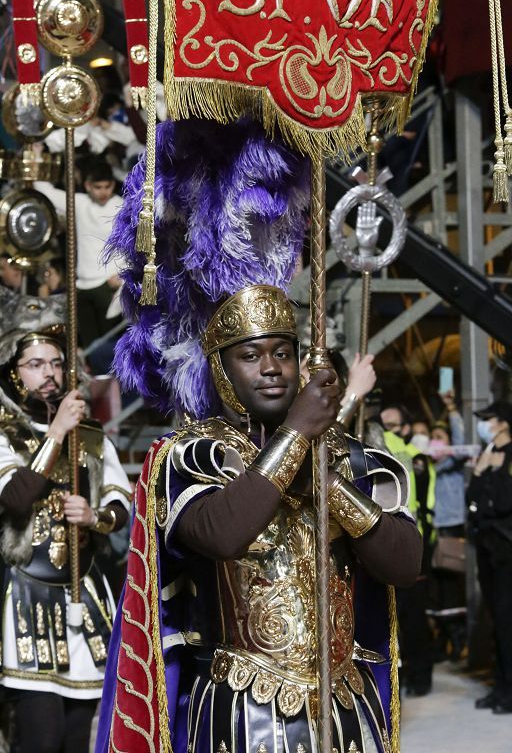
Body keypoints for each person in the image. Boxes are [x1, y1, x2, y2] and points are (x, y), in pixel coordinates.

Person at [97, 284, 422, 753]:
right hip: (242, 711)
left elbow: (406, 564)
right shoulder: (194, 454)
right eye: (250, 355)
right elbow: (221, 533)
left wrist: (331, 487)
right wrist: (295, 436)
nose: (271, 368)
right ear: (221, 368)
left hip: (348, 710)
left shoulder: (348, 456)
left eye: (283, 353)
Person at [0, 297, 132, 752]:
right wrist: (55, 433)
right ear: (13, 370)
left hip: (84, 598)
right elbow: (15, 499)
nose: (49, 373)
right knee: (40, 738)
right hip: (24, 598)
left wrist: (95, 517)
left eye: (56, 363)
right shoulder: (4, 433)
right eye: (35, 363)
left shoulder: (90, 436)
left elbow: (122, 506)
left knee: (80, 737)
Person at [34, 161, 123, 348]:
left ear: (113, 185)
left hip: (108, 285)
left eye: (107, 186)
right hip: (81, 285)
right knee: (91, 347)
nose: (103, 192)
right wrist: (38, 158)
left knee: (110, 347)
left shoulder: (122, 207)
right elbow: (45, 191)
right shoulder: (80, 203)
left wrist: (123, 275)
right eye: (98, 187)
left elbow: (132, 244)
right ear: (88, 185)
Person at [381, 404, 436, 696]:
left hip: (409, 541)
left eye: (393, 425)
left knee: (410, 615)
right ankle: (415, 677)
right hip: (403, 539)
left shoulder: (394, 450)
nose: (389, 429)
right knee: (405, 615)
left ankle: (418, 676)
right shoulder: (412, 454)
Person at [467, 401, 512, 715]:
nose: (485, 424)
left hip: (506, 548)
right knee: (496, 619)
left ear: (504, 423)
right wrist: (482, 471)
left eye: (489, 419)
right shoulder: (486, 453)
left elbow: (504, 502)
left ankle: (509, 690)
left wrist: (492, 473)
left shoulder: (508, 455)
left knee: (507, 621)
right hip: (486, 545)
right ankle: (500, 687)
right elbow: (472, 499)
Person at [429, 392, 467, 662]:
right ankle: (442, 641)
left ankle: (458, 637)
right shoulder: (427, 467)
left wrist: (451, 408)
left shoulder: (452, 464)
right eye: (433, 439)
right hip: (432, 530)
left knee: (453, 586)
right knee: (436, 591)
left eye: (440, 439)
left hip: (451, 528)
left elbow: (462, 440)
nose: (435, 444)